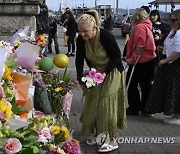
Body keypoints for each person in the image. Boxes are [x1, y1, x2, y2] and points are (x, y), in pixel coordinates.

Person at [75, 10, 126, 152]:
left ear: (94, 28)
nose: (83, 34)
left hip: (112, 70)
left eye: (85, 31)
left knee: (105, 103)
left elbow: (116, 56)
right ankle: (98, 134)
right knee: (93, 100)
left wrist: (104, 73)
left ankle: (111, 139)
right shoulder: (81, 39)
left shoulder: (105, 36)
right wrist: (80, 79)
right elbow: (79, 59)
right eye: (80, 31)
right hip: (95, 72)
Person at [145, 9, 180, 125]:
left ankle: (178, 116)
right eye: (170, 19)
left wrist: (165, 60)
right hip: (169, 64)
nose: (171, 22)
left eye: (174, 20)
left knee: (175, 90)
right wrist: (162, 50)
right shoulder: (173, 31)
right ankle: (174, 114)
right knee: (170, 90)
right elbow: (170, 47)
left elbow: (178, 52)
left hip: (175, 65)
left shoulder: (179, 33)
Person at [125, 8, 156, 116]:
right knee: (145, 85)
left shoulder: (139, 27)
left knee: (131, 84)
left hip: (141, 60)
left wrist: (132, 58)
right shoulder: (147, 25)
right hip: (150, 59)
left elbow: (140, 46)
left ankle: (134, 107)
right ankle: (147, 108)